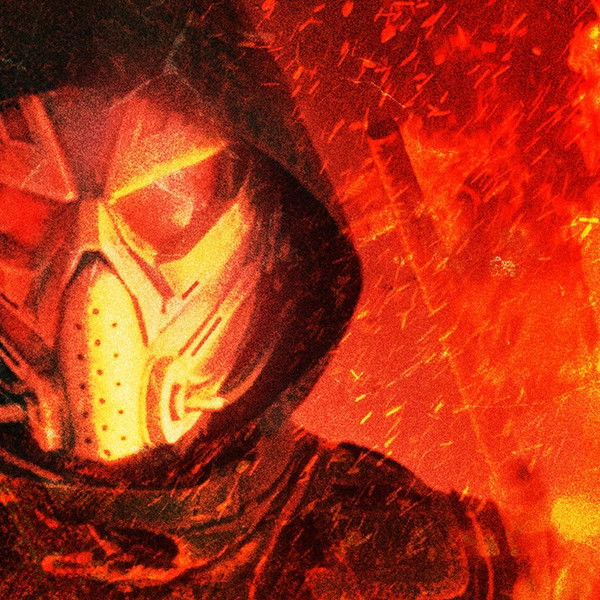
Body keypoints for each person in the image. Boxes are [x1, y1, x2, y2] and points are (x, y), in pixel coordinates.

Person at [0, 1, 518, 598]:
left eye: (162, 208)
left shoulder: (395, 556)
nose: (96, 290)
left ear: (266, 229)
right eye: (22, 227)